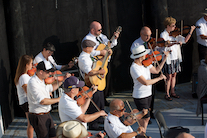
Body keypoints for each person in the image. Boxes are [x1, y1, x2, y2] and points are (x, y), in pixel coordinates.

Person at [130, 45, 168, 136]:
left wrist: (164, 59)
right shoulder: (134, 68)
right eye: (144, 54)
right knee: (145, 118)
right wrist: (159, 79)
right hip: (140, 96)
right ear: (140, 56)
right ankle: (142, 135)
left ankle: (143, 134)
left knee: (145, 118)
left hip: (148, 95)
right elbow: (145, 82)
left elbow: (156, 70)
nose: (146, 55)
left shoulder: (146, 63)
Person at [27, 60, 70, 138]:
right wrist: (58, 99)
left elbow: (51, 88)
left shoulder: (43, 80)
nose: (50, 74)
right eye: (48, 72)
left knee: (53, 135)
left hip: (46, 113)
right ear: (41, 72)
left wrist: (63, 80)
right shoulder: (33, 82)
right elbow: (42, 101)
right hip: (39, 115)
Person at [82, 21, 120, 105]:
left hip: (105, 62)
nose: (101, 31)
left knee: (105, 81)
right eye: (99, 30)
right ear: (92, 30)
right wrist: (100, 52)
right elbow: (89, 52)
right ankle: (96, 102)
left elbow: (110, 45)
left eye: (101, 29)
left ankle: (103, 99)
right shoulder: (87, 39)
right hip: (96, 64)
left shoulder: (102, 37)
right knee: (96, 82)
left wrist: (115, 39)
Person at [160, 16, 195, 101]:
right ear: (167, 26)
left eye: (174, 25)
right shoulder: (163, 34)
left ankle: (173, 92)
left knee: (174, 75)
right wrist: (174, 43)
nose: (174, 27)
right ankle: (167, 93)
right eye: (172, 25)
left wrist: (191, 31)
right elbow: (165, 45)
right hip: (168, 58)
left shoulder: (176, 34)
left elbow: (185, 40)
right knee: (169, 77)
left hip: (176, 57)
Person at [78, 39, 109, 130]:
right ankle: (93, 124)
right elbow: (89, 72)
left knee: (99, 101)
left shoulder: (89, 54)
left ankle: (99, 119)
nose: (93, 49)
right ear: (87, 48)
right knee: (93, 103)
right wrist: (100, 71)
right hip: (90, 82)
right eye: (91, 47)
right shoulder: (84, 58)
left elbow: (98, 57)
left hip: (95, 81)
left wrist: (107, 53)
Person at [14, 55, 34, 138]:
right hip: (26, 102)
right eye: (31, 64)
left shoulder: (24, 76)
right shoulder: (23, 77)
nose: (32, 66)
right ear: (26, 65)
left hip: (26, 101)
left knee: (32, 123)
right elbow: (27, 91)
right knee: (31, 123)